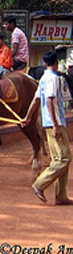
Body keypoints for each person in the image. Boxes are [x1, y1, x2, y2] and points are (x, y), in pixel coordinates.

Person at [22, 50, 72, 205]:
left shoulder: (43, 78)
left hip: (48, 123)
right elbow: (49, 100)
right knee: (65, 158)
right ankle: (40, 184)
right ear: (56, 63)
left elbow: (36, 100)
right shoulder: (53, 79)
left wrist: (28, 117)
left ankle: (61, 195)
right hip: (55, 123)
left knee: (59, 159)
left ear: (44, 63)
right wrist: (56, 124)